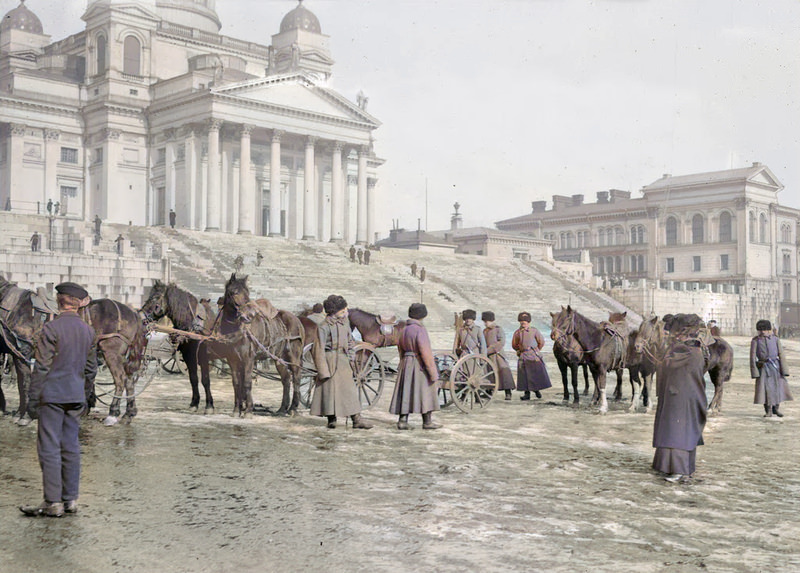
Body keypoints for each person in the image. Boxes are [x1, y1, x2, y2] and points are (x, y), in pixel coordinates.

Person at [20, 282, 97, 517]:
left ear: (59, 301)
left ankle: (53, 503)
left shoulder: (50, 329)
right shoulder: (89, 331)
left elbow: (41, 368)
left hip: (52, 397)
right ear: (77, 303)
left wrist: (32, 401)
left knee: (49, 449)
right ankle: (70, 500)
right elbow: (91, 369)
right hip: (75, 397)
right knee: (71, 448)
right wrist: (84, 396)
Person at [652, 313, 710, 483]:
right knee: (674, 431)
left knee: (677, 434)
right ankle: (669, 467)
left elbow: (666, 363)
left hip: (682, 398)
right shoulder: (694, 347)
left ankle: (679, 470)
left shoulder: (684, 349)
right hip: (683, 395)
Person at [310, 295, 372, 430]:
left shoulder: (345, 323)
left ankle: (357, 419)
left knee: (349, 391)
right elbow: (318, 349)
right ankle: (331, 419)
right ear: (334, 311)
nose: (345, 311)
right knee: (329, 392)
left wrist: (351, 357)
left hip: (343, 362)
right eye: (342, 310)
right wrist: (322, 370)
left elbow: (350, 342)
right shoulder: (323, 327)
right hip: (329, 361)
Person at [389, 302, 441, 430]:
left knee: (406, 391)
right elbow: (425, 351)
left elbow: (400, 347)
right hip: (418, 363)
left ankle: (402, 420)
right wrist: (432, 372)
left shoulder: (404, 329)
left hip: (406, 362)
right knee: (427, 389)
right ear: (422, 315)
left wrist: (403, 362)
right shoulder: (420, 329)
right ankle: (427, 421)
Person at [750, 319, 792, 418]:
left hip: (775, 368)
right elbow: (752, 357)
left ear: (769, 330)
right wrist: (754, 371)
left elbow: (781, 354)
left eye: (764, 329)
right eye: (760, 330)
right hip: (763, 368)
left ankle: (776, 409)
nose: (762, 332)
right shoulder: (756, 340)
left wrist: (784, 370)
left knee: (778, 388)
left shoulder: (775, 339)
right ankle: (768, 410)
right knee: (765, 390)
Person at [512, 312, 551, 400]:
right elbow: (514, 344)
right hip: (523, 356)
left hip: (533, 356)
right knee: (524, 376)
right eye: (521, 321)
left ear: (529, 322)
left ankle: (537, 390)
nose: (523, 323)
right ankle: (527, 394)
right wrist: (519, 350)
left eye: (525, 321)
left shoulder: (534, 331)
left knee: (534, 375)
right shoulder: (517, 333)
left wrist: (536, 350)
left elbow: (541, 342)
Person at [482, 311, 516, 400]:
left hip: (498, 355)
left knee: (504, 373)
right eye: (484, 322)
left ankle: (508, 392)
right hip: (488, 357)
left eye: (487, 321)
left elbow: (501, 342)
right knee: (489, 374)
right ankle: (489, 391)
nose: (486, 323)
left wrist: (490, 349)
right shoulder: (484, 331)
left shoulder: (498, 329)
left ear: (492, 321)